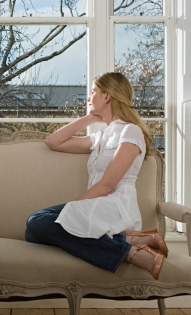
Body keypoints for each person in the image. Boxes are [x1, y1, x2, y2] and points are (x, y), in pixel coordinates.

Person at [25, 72, 168, 279]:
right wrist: (90, 118)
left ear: (107, 96)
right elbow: (53, 142)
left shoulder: (131, 131)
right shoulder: (101, 136)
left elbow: (108, 185)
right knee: (34, 228)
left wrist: (73, 209)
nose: (89, 97)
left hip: (115, 205)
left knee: (37, 223)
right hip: (97, 205)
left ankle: (132, 253)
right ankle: (129, 242)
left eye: (93, 92)